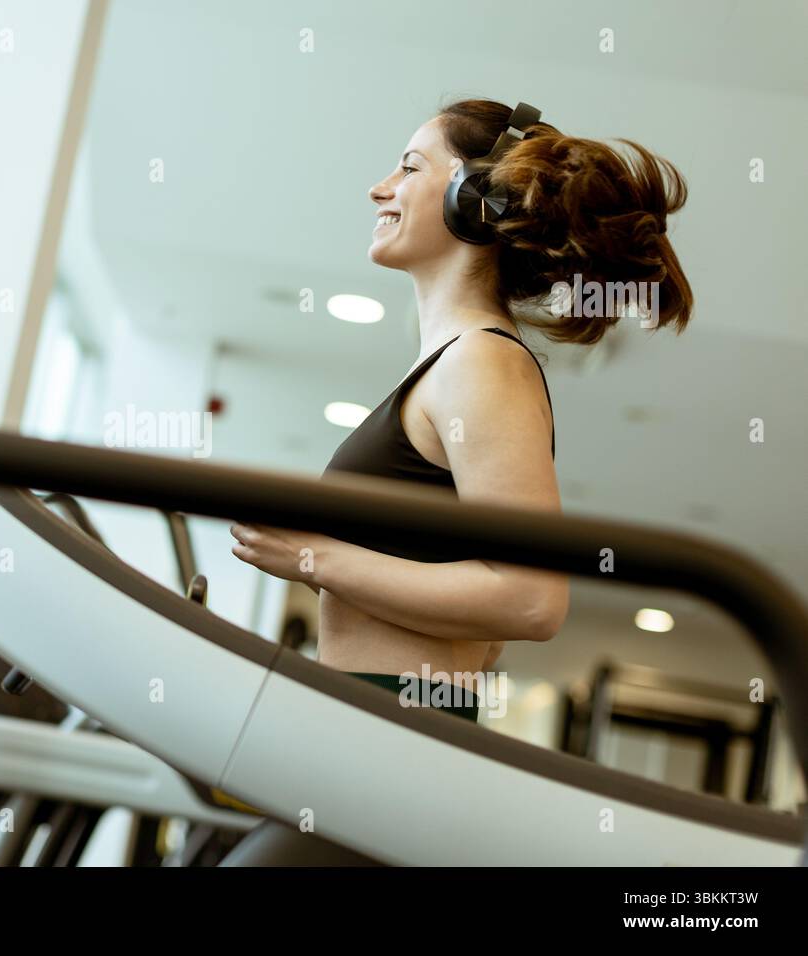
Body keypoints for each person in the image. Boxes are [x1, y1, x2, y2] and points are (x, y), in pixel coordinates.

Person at [230, 97, 692, 725]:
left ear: (474, 197)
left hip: (395, 718)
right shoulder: (454, 364)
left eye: (410, 168)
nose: (380, 189)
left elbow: (532, 600)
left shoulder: (481, 364)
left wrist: (317, 557)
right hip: (371, 712)